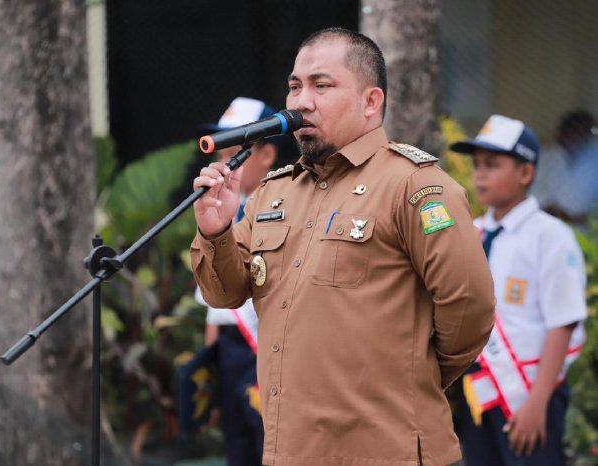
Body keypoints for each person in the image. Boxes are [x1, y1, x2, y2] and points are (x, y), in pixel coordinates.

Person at [190, 27, 495, 466]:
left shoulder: (415, 186)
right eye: (295, 86)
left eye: (322, 85)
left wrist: (416, 374)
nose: (300, 101)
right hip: (291, 452)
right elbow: (225, 293)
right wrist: (216, 231)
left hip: (387, 451)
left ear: (371, 102)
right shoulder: (273, 194)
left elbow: (471, 305)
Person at [449, 114, 587, 465]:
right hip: (478, 392)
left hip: (530, 394)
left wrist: (537, 403)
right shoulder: (472, 233)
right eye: (477, 165)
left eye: (492, 165)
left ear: (525, 173)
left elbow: (563, 322)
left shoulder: (550, 236)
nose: (480, 174)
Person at [194, 97, 297, 466]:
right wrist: (210, 369)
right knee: (236, 449)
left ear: (267, 154)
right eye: (220, 154)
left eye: (234, 153)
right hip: (230, 351)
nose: (223, 164)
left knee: (267, 446)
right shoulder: (219, 208)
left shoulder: (282, 207)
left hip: (264, 350)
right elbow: (213, 307)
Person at [537, 109, 598, 229]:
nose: (578, 137)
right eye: (574, 131)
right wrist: (564, 215)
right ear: (562, 133)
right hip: (549, 227)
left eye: (585, 132)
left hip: (589, 233)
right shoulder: (544, 158)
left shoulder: (593, 160)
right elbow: (534, 196)